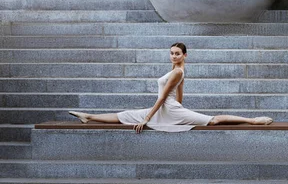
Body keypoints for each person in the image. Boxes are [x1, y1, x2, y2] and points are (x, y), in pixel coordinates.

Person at [69, 42, 273, 133]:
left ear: (185, 55)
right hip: (170, 109)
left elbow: (162, 98)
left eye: (177, 53)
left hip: (168, 110)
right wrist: (176, 108)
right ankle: (88, 116)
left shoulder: (177, 72)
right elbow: (180, 95)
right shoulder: (177, 72)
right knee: (125, 115)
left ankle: (253, 120)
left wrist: (148, 118)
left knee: (213, 121)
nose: (173, 56)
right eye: (171, 53)